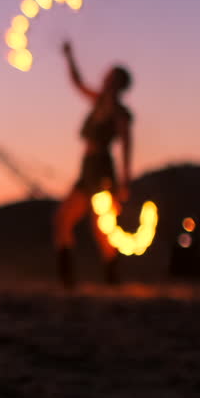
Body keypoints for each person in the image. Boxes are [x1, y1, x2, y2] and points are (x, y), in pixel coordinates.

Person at [54, 41, 133, 288]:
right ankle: (67, 277)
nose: (104, 76)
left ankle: (112, 276)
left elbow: (127, 147)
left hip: (102, 170)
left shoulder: (120, 113)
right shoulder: (97, 101)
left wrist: (124, 183)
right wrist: (69, 56)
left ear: (117, 83)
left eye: (110, 75)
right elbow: (77, 82)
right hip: (87, 168)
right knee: (63, 219)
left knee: (102, 227)